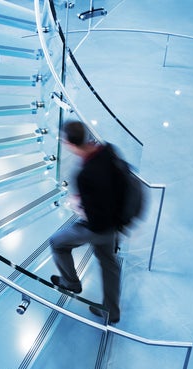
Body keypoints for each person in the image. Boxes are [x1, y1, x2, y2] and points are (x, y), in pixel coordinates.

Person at [49, 120, 124, 324]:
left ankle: (70, 282)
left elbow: (93, 214)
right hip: (114, 224)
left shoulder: (84, 174)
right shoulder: (108, 151)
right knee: (109, 263)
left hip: (98, 227)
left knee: (57, 243)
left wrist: (78, 205)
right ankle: (112, 311)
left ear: (72, 144)